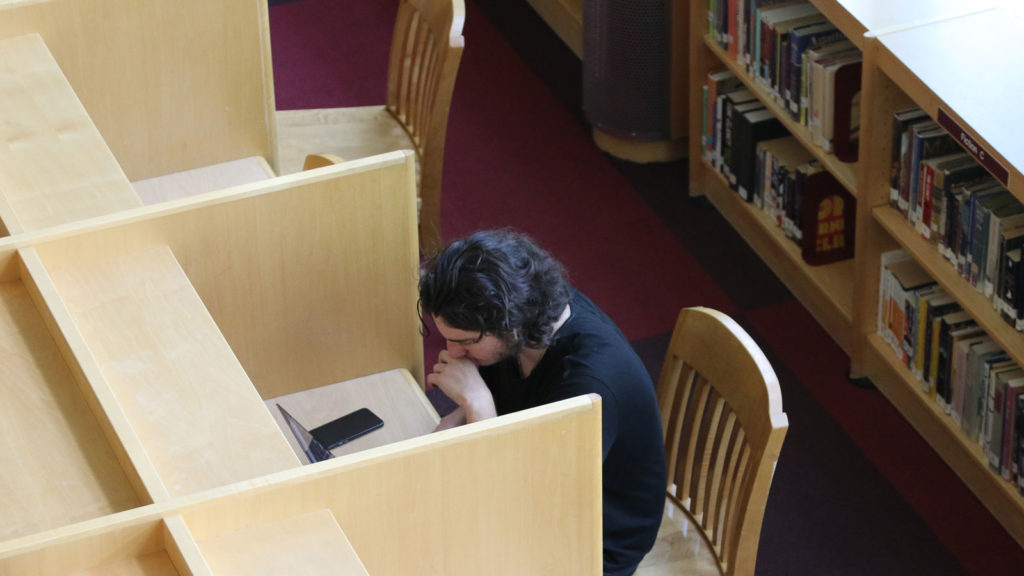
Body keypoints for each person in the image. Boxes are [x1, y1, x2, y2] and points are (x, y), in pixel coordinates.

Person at [418, 228, 666, 576]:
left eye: (465, 342)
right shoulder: (528, 315)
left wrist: (478, 407)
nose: (453, 353)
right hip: (539, 483)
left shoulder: (588, 385)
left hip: (592, 541)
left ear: (512, 324)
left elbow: (530, 501)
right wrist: (459, 417)